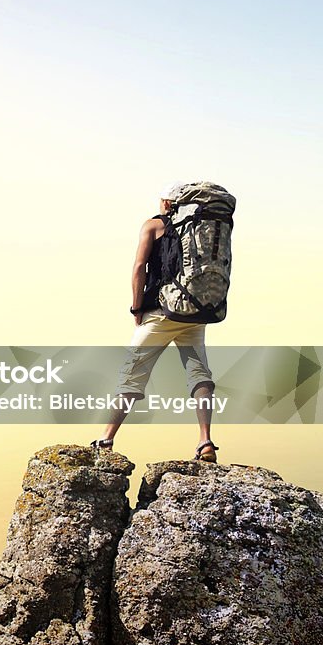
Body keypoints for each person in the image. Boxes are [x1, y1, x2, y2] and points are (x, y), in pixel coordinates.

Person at [90, 182, 219, 462]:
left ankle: (106, 440)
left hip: (161, 312)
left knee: (132, 373)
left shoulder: (153, 225)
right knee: (199, 374)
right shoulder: (198, 230)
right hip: (193, 311)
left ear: (166, 203)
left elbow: (139, 267)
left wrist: (137, 307)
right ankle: (205, 441)